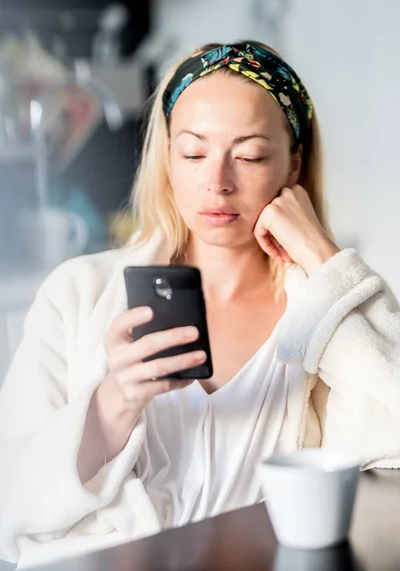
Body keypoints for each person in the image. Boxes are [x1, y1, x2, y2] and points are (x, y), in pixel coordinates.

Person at [1, 40, 400, 568]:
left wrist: (324, 258)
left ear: (293, 164)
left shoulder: (326, 308)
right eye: (193, 153)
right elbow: (12, 502)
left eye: (251, 155)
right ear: (167, 159)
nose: (217, 182)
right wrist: (112, 404)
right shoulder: (77, 294)